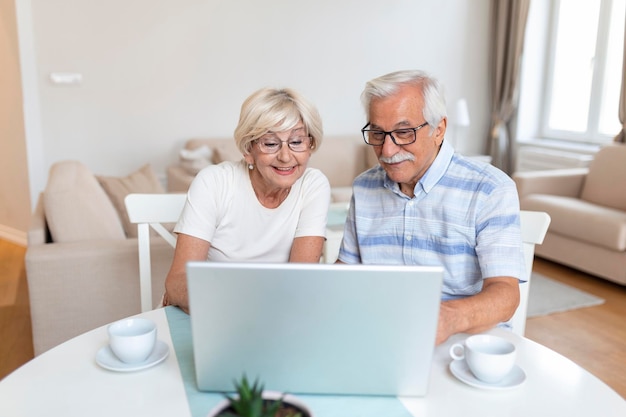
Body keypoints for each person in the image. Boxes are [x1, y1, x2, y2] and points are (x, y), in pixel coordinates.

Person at [337, 70, 525, 345]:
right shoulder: (365, 188)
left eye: (403, 132)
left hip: (464, 342)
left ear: (439, 129)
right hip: (381, 335)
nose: (387, 151)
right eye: (377, 133)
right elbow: (346, 274)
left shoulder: (490, 189)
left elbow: (506, 295)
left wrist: (447, 318)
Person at [164, 87, 331, 313]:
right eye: (271, 143)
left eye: (297, 141)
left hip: (276, 318)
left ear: (310, 145)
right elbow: (176, 285)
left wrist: (221, 294)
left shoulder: (313, 186)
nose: (285, 156)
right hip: (214, 316)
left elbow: (299, 284)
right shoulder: (214, 182)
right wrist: (261, 299)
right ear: (248, 149)